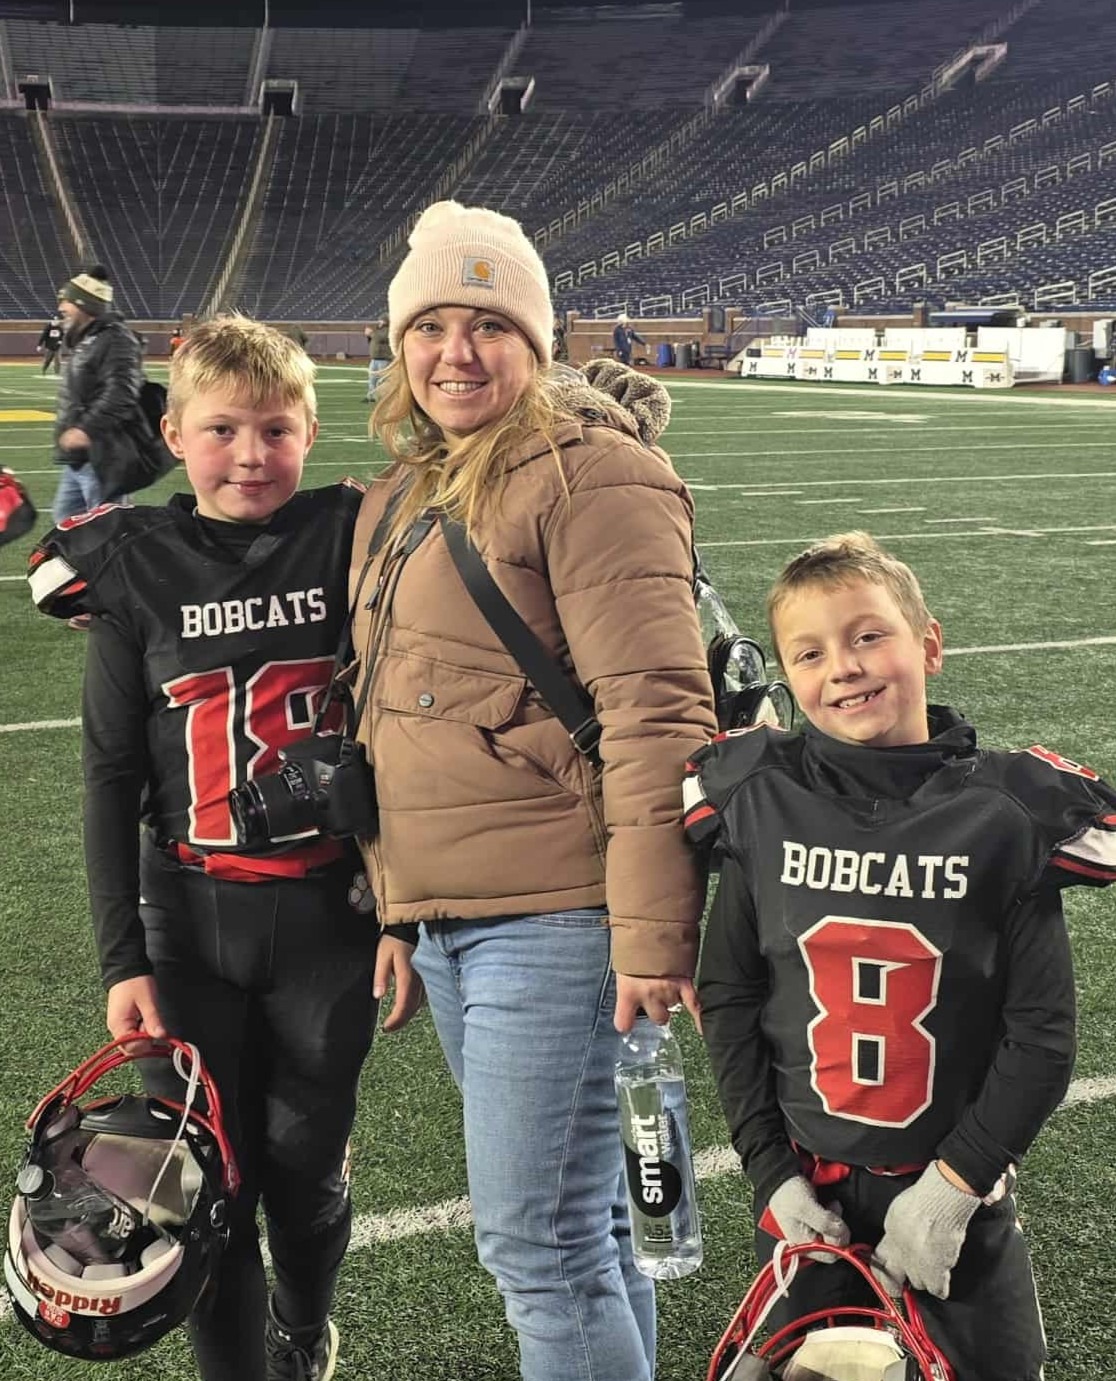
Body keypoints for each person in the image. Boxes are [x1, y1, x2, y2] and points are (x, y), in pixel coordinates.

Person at [350, 200, 717, 1381]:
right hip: (459, 916)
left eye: (489, 324)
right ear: (400, 344)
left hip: (560, 916)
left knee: (541, 1247)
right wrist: (398, 906)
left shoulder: (592, 472)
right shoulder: (409, 489)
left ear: (537, 341)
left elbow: (657, 712)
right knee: (588, 1227)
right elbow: (397, 713)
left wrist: (651, 932)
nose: (456, 351)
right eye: (432, 325)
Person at [27, 314, 422, 1381]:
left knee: (305, 1172)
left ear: (311, 432)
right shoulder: (135, 562)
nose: (251, 455)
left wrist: (404, 912)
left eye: (276, 430)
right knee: (202, 1182)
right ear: (174, 433)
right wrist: (123, 959)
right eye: (222, 430)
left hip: (329, 914)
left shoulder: (351, 530)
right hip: (188, 914)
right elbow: (109, 777)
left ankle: (304, 1322)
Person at [686, 531, 1116, 1381]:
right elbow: (729, 995)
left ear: (930, 643)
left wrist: (955, 1185)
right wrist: (770, 1173)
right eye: (810, 652)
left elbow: (1041, 1034)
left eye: (868, 635)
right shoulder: (762, 794)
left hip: (954, 1185)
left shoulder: (1005, 811)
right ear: (786, 674)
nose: (843, 666)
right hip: (811, 1190)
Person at [51, 264, 169, 529]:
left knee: (108, 529)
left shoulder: (115, 339)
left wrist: (85, 430)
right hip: (81, 458)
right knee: (67, 522)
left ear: (84, 305)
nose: (61, 308)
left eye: (67, 301)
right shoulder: (89, 340)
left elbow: (122, 392)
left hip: (104, 455)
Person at [364, 316, 390, 401]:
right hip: (374, 358)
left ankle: (383, 397)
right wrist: (368, 336)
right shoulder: (377, 331)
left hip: (384, 359)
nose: (379, 322)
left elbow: (382, 338)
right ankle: (371, 396)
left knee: (382, 380)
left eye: (381, 320)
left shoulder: (388, 330)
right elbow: (374, 341)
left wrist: (371, 334)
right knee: (372, 379)